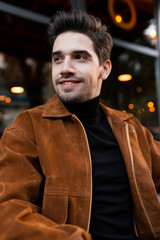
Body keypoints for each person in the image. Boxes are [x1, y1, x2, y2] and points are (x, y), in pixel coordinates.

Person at [0, 10, 160, 240]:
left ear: (104, 69)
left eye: (79, 57)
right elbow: (7, 212)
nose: (65, 67)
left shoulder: (128, 127)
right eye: (58, 58)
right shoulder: (28, 128)